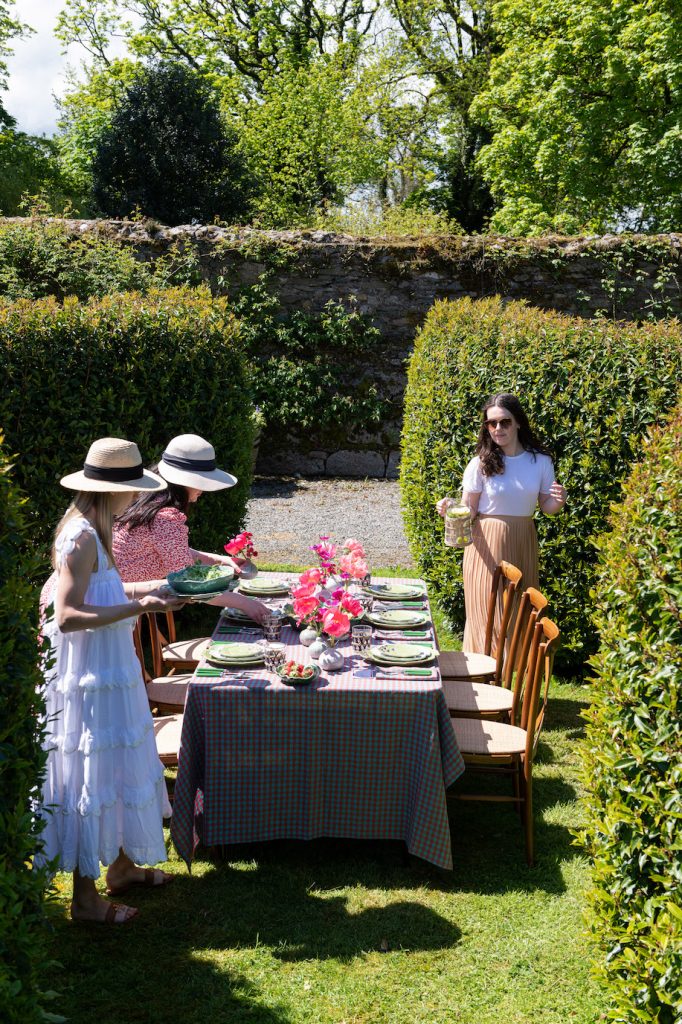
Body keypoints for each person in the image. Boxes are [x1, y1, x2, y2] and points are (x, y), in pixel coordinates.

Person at [36, 437, 188, 925]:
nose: (136, 498)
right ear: (110, 491)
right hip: (87, 677)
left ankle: (121, 868)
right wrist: (142, 607)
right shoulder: (79, 537)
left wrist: (157, 590)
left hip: (109, 667)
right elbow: (67, 615)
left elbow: (106, 588)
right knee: (91, 771)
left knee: (118, 764)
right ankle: (84, 901)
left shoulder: (98, 531)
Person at [436, 393, 566, 653]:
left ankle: (512, 678)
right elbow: (469, 510)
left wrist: (559, 501)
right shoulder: (480, 463)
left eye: (504, 422)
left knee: (519, 612)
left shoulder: (540, 461)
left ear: (518, 422)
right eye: (491, 423)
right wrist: (449, 508)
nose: (497, 429)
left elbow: (547, 507)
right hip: (486, 545)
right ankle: (486, 675)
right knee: (489, 611)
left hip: (522, 540)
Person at [112, 434, 268, 623]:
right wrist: (246, 603)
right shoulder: (165, 517)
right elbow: (189, 585)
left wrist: (219, 560)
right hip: (118, 607)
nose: (203, 488)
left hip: (114, 598)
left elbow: (170, 551)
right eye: (202, 480)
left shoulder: (148, 499)